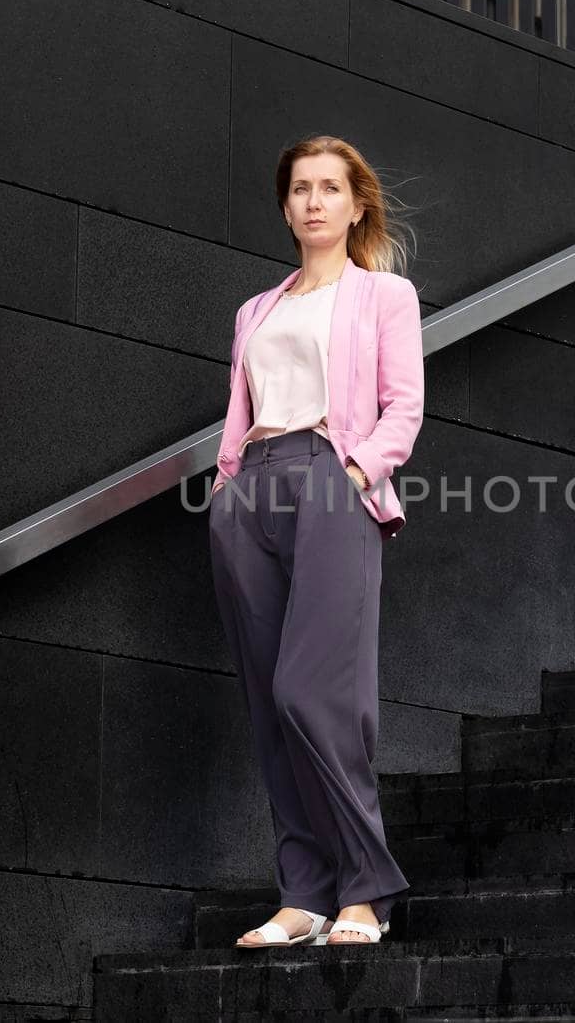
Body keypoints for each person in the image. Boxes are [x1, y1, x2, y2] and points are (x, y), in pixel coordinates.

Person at [206, 135, 425, 947]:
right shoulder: (256, 311)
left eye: (330, 188)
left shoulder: (384, 297)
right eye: (300, 188)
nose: (314, 202)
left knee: (315, 692)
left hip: (333, 479)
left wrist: (358, 474)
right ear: (286, 206)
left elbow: (404, 406)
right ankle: (302, 894)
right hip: (249, 488)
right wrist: (226, 487)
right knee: (270, 701)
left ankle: (364, 889)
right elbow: (241, 403)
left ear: (356, 204)